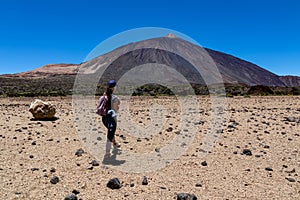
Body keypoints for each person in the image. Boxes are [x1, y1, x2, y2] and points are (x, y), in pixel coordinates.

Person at [98, 80, 121, 157]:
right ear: (113, 88)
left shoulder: (103, 96)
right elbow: (115, 109)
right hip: (111, 119)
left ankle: (114, 143)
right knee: (110, 134)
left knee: (110, 131)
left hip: (104, 119)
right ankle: (107, 153)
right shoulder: (114, 98)